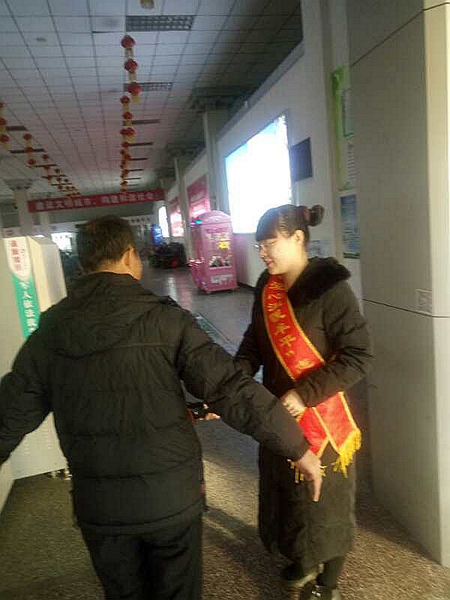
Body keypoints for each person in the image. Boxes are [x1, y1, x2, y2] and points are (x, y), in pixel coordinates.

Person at [0, 215, 322, 600]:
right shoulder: (168, 320)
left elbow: (11, 410)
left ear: (84, 263)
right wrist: (296, 446)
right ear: (129, 256)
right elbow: (230, 389)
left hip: (101, 508)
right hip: (171, 500)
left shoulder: (51, 331)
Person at [235, 205, 373, 600]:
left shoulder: (331, 289)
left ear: (298, 238)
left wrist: (304, 394)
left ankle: (327, 585)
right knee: (289, 496)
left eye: (270, 243)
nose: (263, 252)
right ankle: (303, 558)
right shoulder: (267, 287)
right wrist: (235, 375)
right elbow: (254, 341)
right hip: (279, 415)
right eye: (259, 245)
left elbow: (359, 356)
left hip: (322, 419)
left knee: (325, 504)